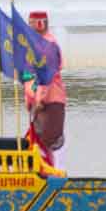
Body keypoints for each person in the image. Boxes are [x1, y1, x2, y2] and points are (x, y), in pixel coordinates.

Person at [27, 11, 66, 169]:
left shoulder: (48, 46)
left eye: (30, 23)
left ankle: (48, 174)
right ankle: (42, 172)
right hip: (39, 101)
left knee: (47, 142)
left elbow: (47, 77)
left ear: (40, 24)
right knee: (37, 141)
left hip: (50, 101)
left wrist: (39, 100)